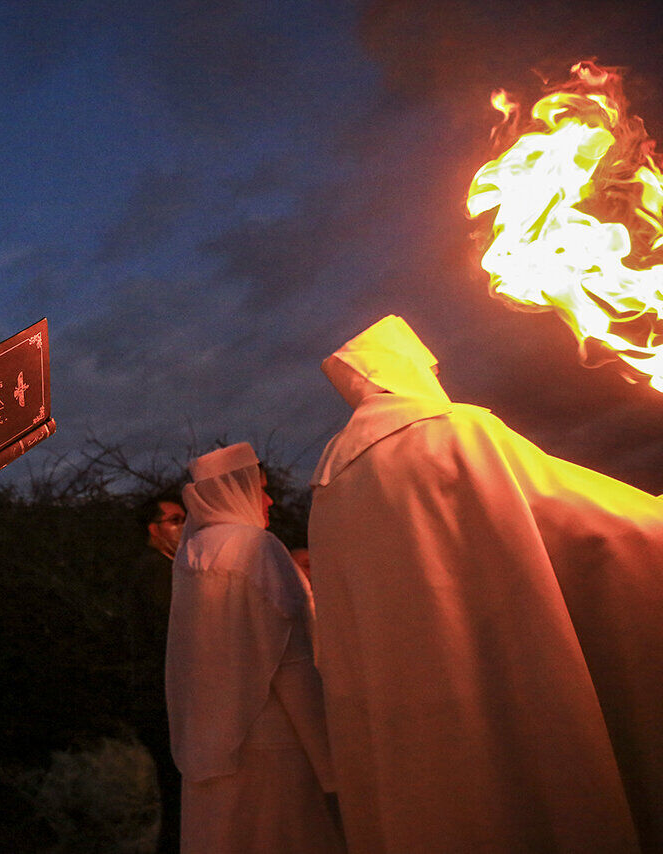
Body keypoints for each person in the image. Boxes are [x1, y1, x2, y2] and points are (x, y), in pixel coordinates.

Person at [309, 314, 663, 853]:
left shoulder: (330, 488)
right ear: (405, 370)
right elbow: (579, 520)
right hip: (507, 670)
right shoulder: (456, 432)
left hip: (408, 713)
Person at [166, 443, 343, 854]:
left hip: (209, 749)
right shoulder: (256, 547)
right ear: (234, 491)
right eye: (260, 489)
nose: (269, 501)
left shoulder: (192, 552)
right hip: (273, 747)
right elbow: (292, 664)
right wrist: (332, 765)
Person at [124, 493, 186, 852]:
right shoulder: (155, 571)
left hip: (160, 695)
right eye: (175, 520)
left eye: (184, 519)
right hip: (159, 698)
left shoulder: (166, 568)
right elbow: (171, 632)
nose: (183, 527)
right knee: (175, 793)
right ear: (154, 529)